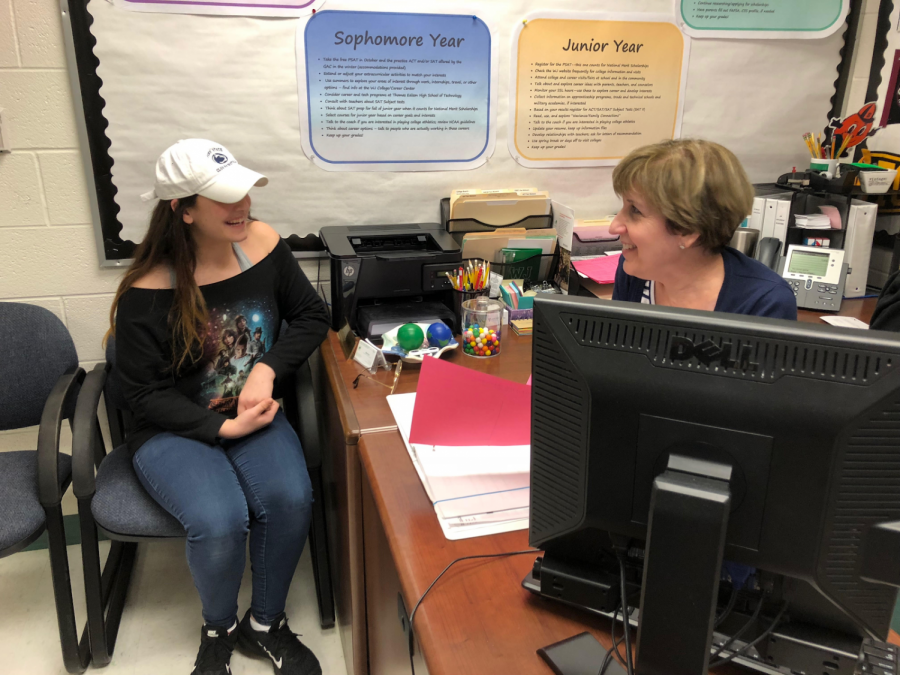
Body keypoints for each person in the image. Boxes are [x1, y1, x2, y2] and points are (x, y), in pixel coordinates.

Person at [107, 139, 330, 675]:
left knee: (292, 497)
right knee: (220, 517)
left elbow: (310, 316)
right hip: (172, 428)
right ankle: (219, 629)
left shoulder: (263, 246)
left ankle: (265, 624)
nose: (243, 207)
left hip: (250, 412)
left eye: (244, 192)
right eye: (223, 200)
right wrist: (221, 427)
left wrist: (267, 367)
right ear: (182, 211)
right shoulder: (147, 290)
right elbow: (141, 395)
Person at [610, 139, 797, 320]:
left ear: (687, 229)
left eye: (635, 210)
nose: (613, 227)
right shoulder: (635, 272)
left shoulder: (763, 303)